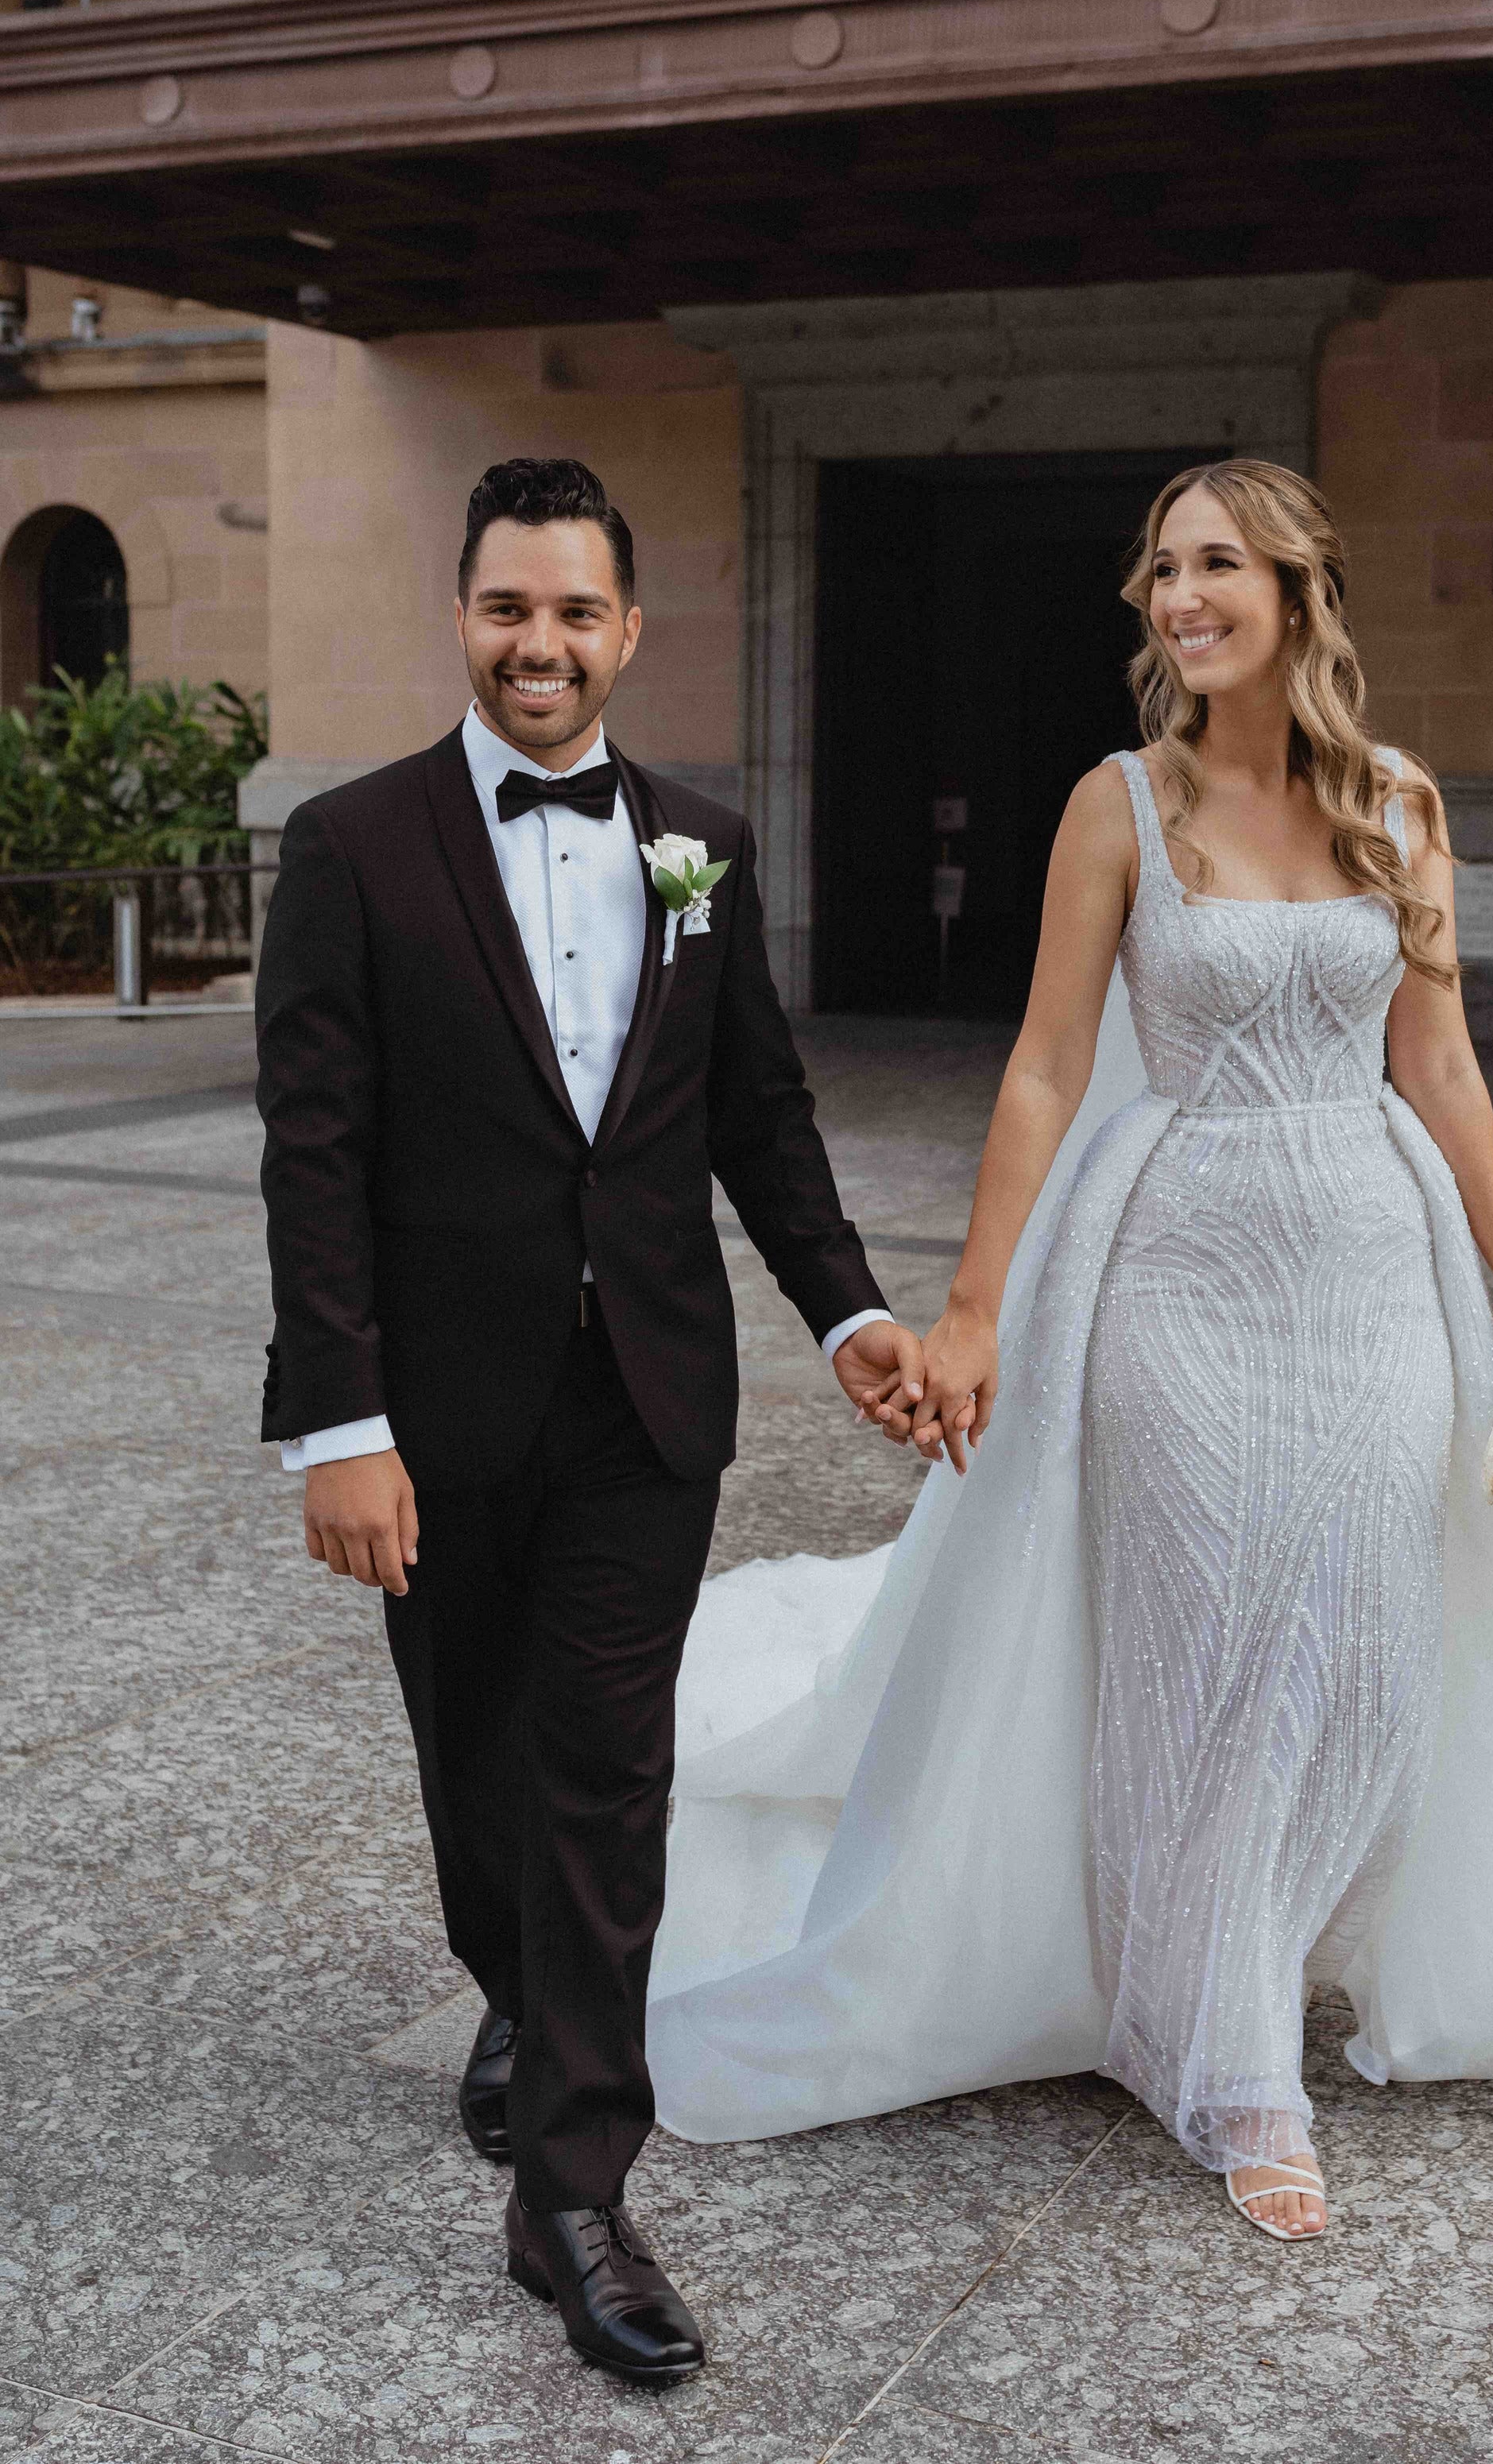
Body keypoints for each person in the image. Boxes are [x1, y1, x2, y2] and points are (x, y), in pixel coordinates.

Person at [647, 458, 1493, 2240]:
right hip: (1174, 1263)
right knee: (1208, 1629)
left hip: (1375, 1259)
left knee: (1365, 1640)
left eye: (1216, 563)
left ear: (1299, 590)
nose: (1177, 594)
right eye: (1160, 568)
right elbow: (1049, 1066)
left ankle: (1258, 1938)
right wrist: (974, 1306)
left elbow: (1436, 1062)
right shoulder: (1115, 806)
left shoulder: (1396, 801)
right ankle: (1220, 2050)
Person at [256, 457, 923, 2381]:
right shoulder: (353, 845)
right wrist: (340, 1424)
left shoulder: (699, 843)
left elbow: (756, 1120)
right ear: (459, 613)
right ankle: (520, 1991)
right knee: (475, 1753)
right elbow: (316, 1155)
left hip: (647, 1390)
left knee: (603, 1769)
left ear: (628, 630)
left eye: (572, 612)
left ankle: (572, 2187)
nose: (536, 645)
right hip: (434, 1407)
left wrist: (850, 1310)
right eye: (502, 608)